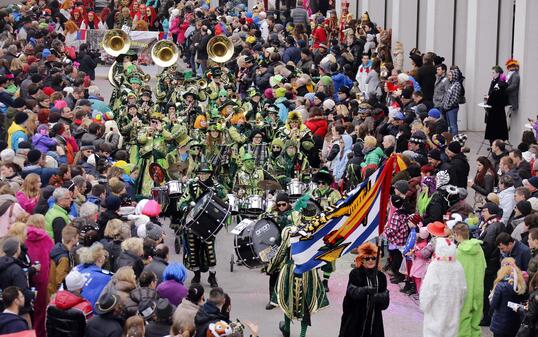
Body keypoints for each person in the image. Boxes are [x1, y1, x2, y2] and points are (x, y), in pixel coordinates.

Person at [338, 242, 389, 337]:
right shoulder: (355, 273)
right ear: (362, 260)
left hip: (374, 321)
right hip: (356, 319)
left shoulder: (381, 277)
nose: (370, 260)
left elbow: (385, 303)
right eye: (367, 258)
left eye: (373, 258)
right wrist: (365, 290)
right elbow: (351, 294)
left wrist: (378, 297)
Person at [420, 238, 467, 337]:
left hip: (436, 308)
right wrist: (459, 306)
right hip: (452, 310)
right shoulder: (458, 266)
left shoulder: (435, 266)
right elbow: (463, 290)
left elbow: (428, 289)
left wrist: (424, 305)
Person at [454, 222, 486, 337]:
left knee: (462, 321)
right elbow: (484, 266)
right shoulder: (479, 250)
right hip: (478, 289)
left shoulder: (457, 253)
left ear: (457, 235)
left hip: (464, 290)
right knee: (475, 321)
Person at [46, 270, 93, 337]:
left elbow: (48, 328)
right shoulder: (85, 307)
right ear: (81, 287)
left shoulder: (52, 302)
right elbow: (88, 331)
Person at [489, 258, 526, 337]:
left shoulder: (500, 286)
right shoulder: (520, 285)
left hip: (500, 323)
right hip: (515, 322)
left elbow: (494, 304)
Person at [75, 242, 113, 307]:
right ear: (100, 259)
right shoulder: (106, 277)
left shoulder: (78, 268)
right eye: (104, 256)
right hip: (88, 310)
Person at [485, 66, 509, 143]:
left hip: (497, 109)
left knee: (497, 130)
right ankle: (493, 145)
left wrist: (489, 98)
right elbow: (491, 92)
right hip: (493, 108)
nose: (492, 74)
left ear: (498, 73)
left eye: (493, 72)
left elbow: (497, 95)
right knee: (492, 129)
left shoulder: (501, 83)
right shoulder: (494, 81)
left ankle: (497, 145)